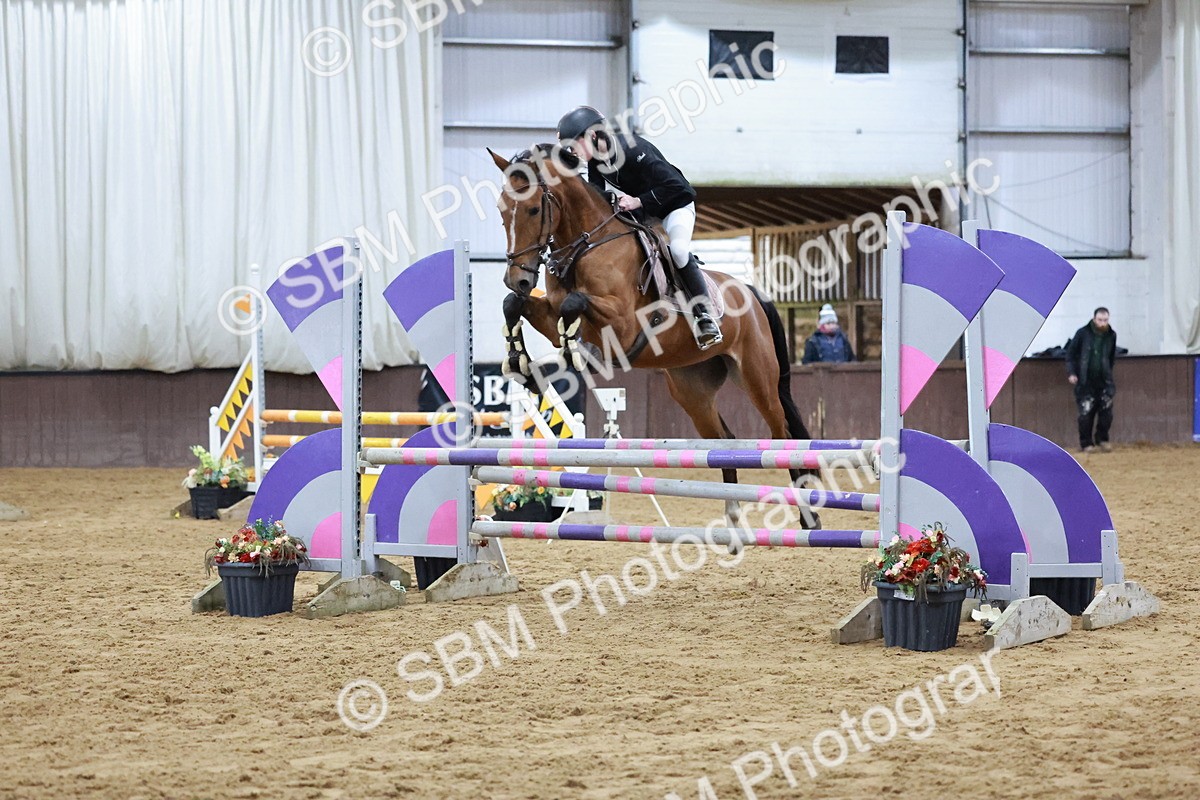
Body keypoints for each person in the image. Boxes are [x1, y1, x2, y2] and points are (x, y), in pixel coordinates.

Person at [555, 105, 722, 350]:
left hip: (675, 206)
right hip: (645, 212)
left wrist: (638, 200)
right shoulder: (596, 161)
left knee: (677, 250)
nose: (573, 152)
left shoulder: (633, 149)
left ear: (592, 135)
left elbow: (679, 187)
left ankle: (704, 315)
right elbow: (598, 195)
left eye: (573, 145)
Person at [1065, 307, 1117, 452]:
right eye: (1100, 320)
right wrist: (1072, 373)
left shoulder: (1111, 335)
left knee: (1106, 412)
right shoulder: (1082, 333)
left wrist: (1108, 372)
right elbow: (1070, 355)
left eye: (1105, 320)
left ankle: (1102, 439)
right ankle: (1086, 443)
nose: (1102, 323)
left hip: (1104, 380)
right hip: (1085, 380)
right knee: (1085, 413)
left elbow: (1111, 357)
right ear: (1094, 319)